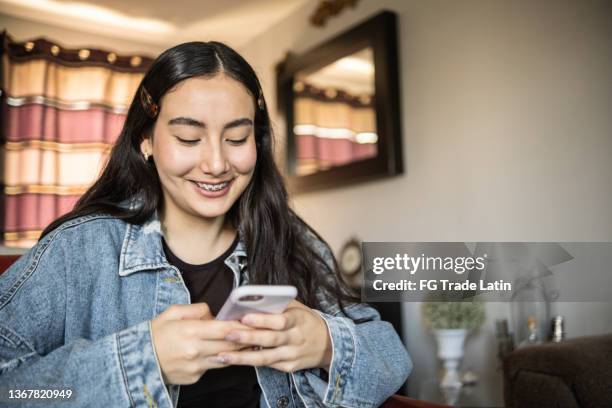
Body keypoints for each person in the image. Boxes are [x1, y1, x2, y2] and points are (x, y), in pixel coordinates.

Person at [0, 41, 411, 408]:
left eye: (236, 139)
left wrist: (325, 344)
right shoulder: (81, 249)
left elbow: (391, 355)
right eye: (188, 139)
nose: (216, 164)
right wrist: (143, 360)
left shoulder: (286, 237)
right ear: (146, 139)